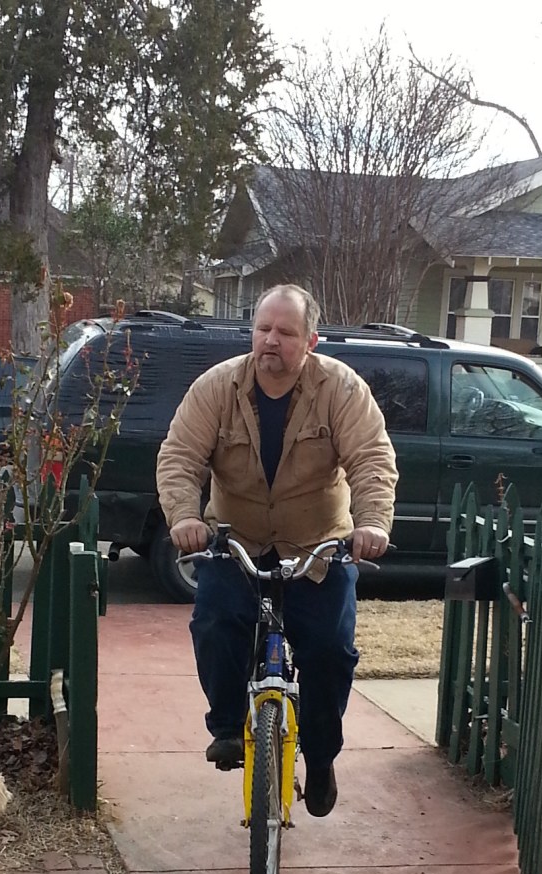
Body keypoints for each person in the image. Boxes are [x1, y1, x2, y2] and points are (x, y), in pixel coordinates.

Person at [155, 284, 398, 817]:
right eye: (264, 329)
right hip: (236, 540)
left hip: (319, 547)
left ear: (310, 340)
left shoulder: (341, 389)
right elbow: (180, 456)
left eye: (286, 332)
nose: (272, 341)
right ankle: (225, 724)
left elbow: (371, 459)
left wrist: (372, 523)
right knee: (216, 623)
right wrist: (186, 517)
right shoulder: (217, 388)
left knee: (329, 651)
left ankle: (321, 757)